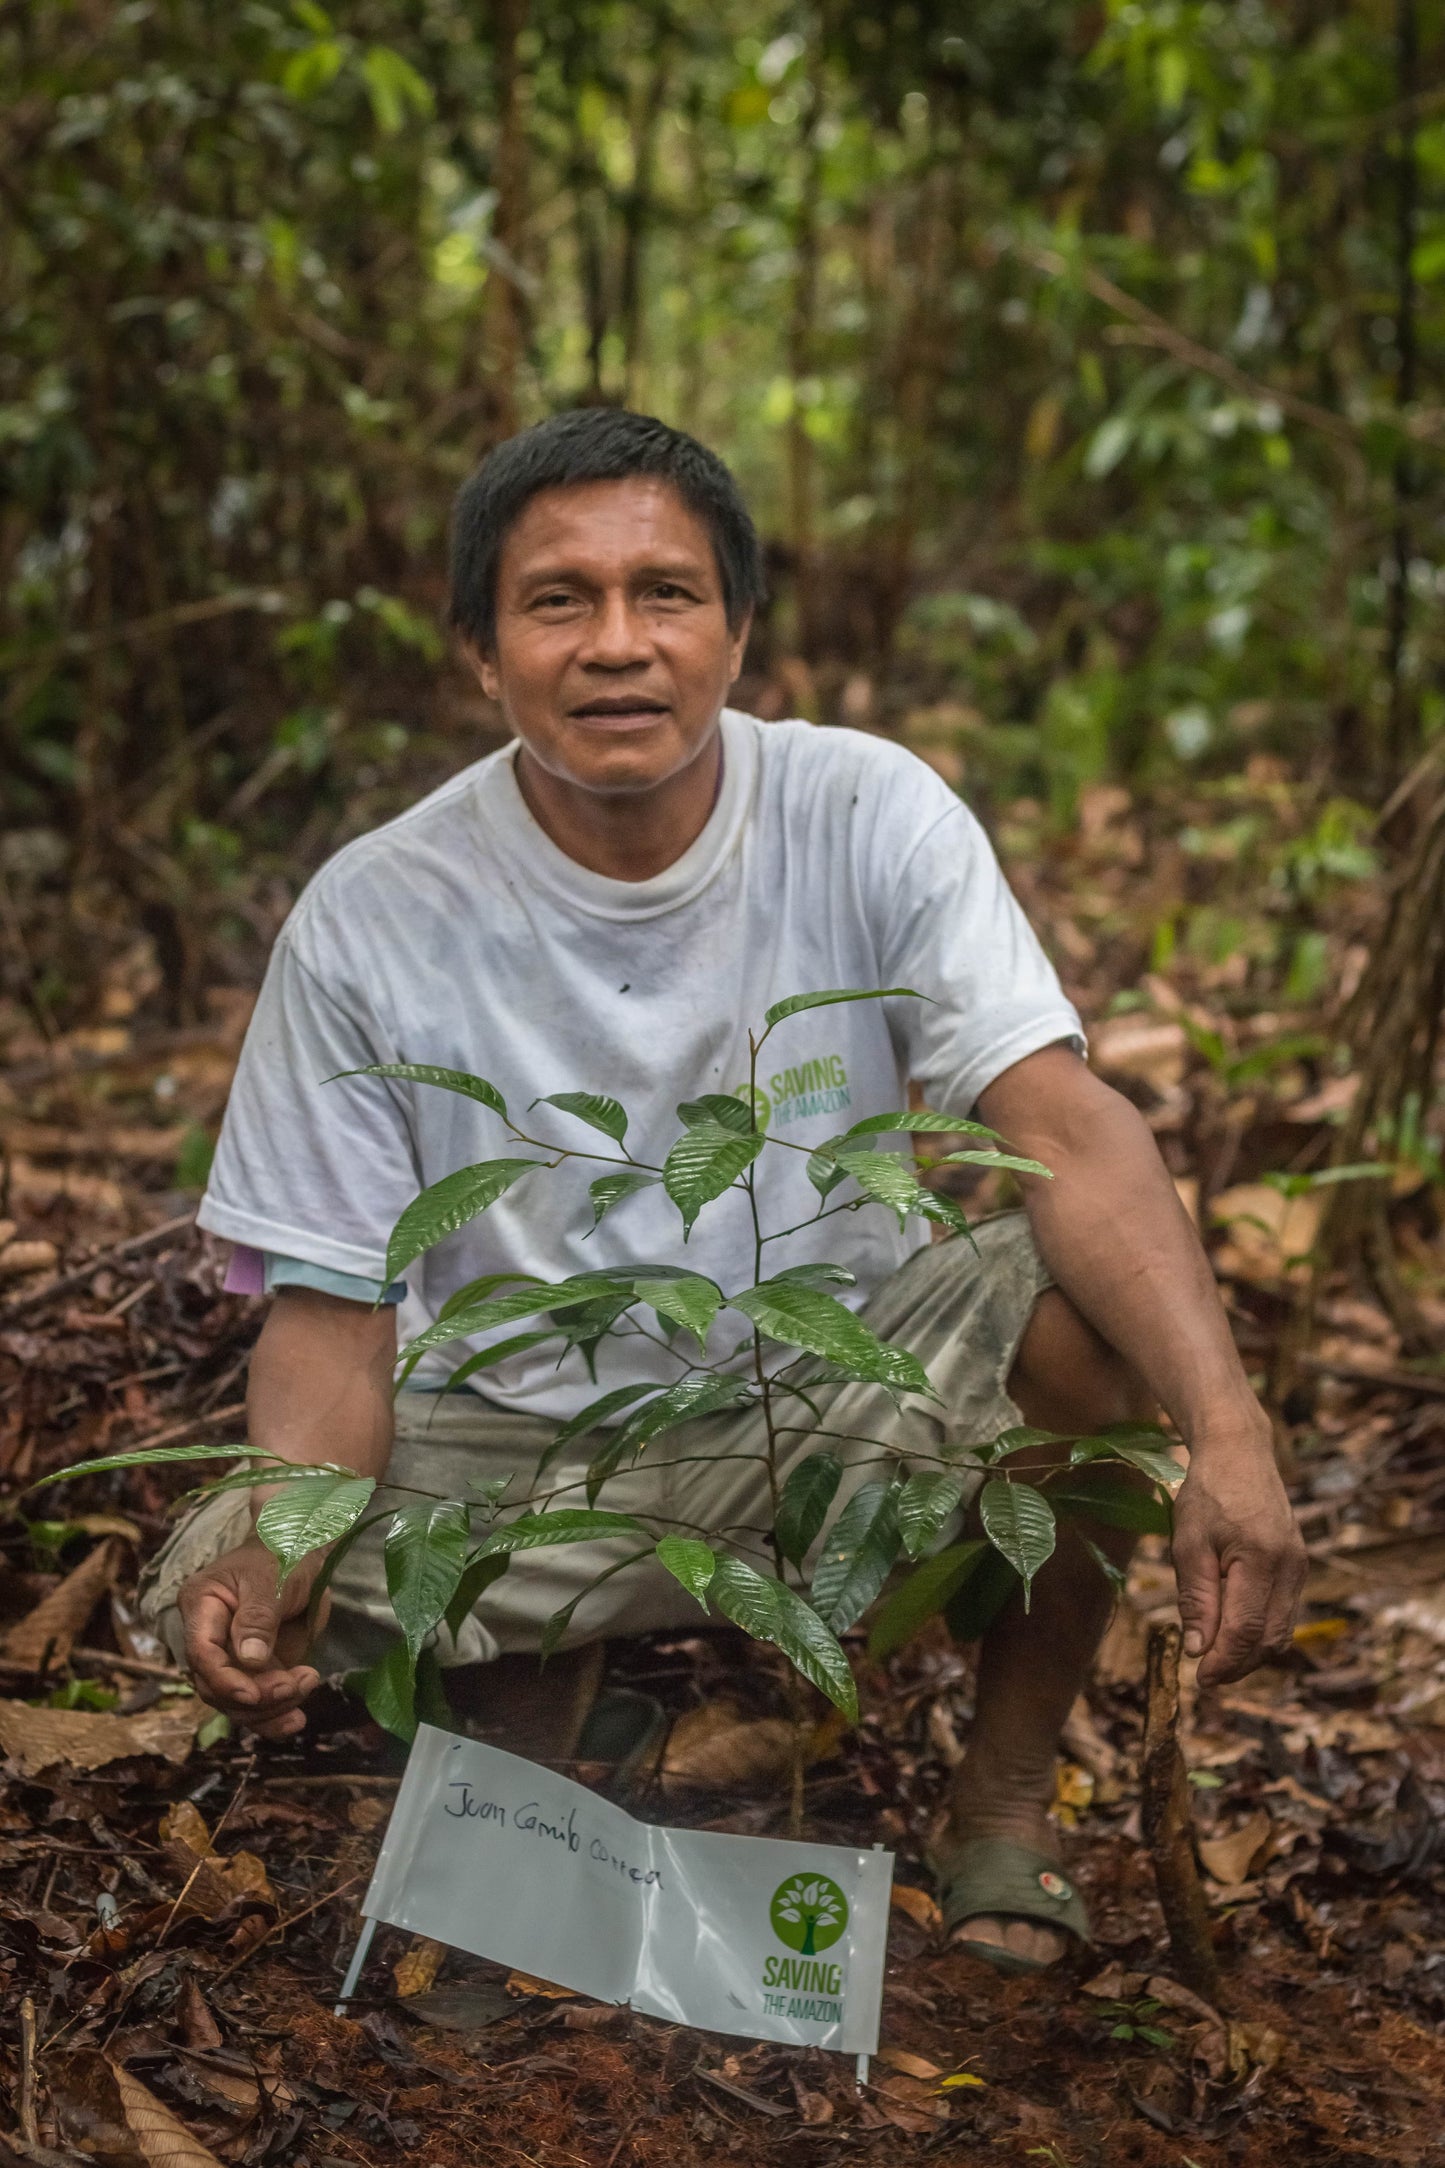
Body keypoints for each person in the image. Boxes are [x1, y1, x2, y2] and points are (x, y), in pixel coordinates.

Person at [141, 408, 1305, 1977]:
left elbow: (1069, 1129)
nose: (617, 643)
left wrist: (1225, 1435)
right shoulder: (371, 917)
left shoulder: (861, 808)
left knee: (1083, 1322)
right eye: (558, 600)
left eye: (665, 594)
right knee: (207, 1576)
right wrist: (278, 1550)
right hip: (520, 1439)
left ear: (738, 631)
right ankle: (556, 1700)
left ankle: (1006, 1801)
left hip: (844, 1401)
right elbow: (334, 1325)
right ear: (480, 653)